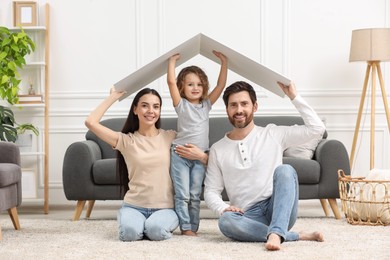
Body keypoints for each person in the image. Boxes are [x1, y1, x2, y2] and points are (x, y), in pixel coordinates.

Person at [204, 81, 326, 250]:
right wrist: (224, 208)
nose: (239, 110)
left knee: (286, 170)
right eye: (233, 105)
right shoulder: (218, 149)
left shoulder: (273, 133)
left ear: (255, 107)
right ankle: (289, 235)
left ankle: (277, 231)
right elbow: (211, 190)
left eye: (244, 104)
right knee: (225, 222)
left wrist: (293, 96)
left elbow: (317, 129)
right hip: (246, 216)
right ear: (227, 110)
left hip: (278, 208)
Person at [85, 87, 207, 242]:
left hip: (166, 208)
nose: (151, 111)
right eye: (145, 105)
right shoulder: (126, 141)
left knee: (156, 231)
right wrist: (113, 97)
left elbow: (204, 154)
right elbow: (90, 122)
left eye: (156, 107)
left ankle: (147, 226)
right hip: (134, 206)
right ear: (135, 109)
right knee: (130, 234)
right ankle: (131, 220)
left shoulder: (172, 137)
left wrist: (203, 156)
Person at [167, 51, 228, 236]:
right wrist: (171, 62)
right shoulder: (181, 105)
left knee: (194, 195)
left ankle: (194, 227)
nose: (195, 88)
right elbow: (170, 82)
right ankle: (185, 228)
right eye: (190, 84)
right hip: (180, 155)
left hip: (201, 156)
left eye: (199, 84)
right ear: (182, 87)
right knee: (183, 194)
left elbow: (221, 85)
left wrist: (224, 62)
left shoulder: (206, 105)